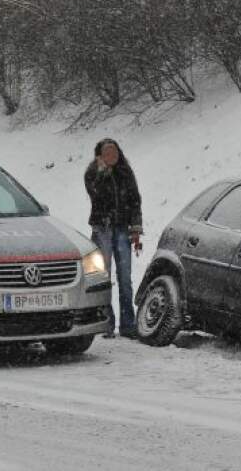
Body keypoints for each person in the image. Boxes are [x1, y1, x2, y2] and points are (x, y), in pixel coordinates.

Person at [84, 138, 143, 338]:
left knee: (125, 278)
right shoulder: (92, 174)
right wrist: (102, 173)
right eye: (108, 153)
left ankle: (128, 324)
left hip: (123, 229)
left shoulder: (126, 172)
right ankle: (105, 323)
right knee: (104, 276)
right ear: (100, 156)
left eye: (115, 152)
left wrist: (136, 228)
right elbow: (96, 196)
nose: (113, 156)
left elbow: (135, 201)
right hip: (102, 229)